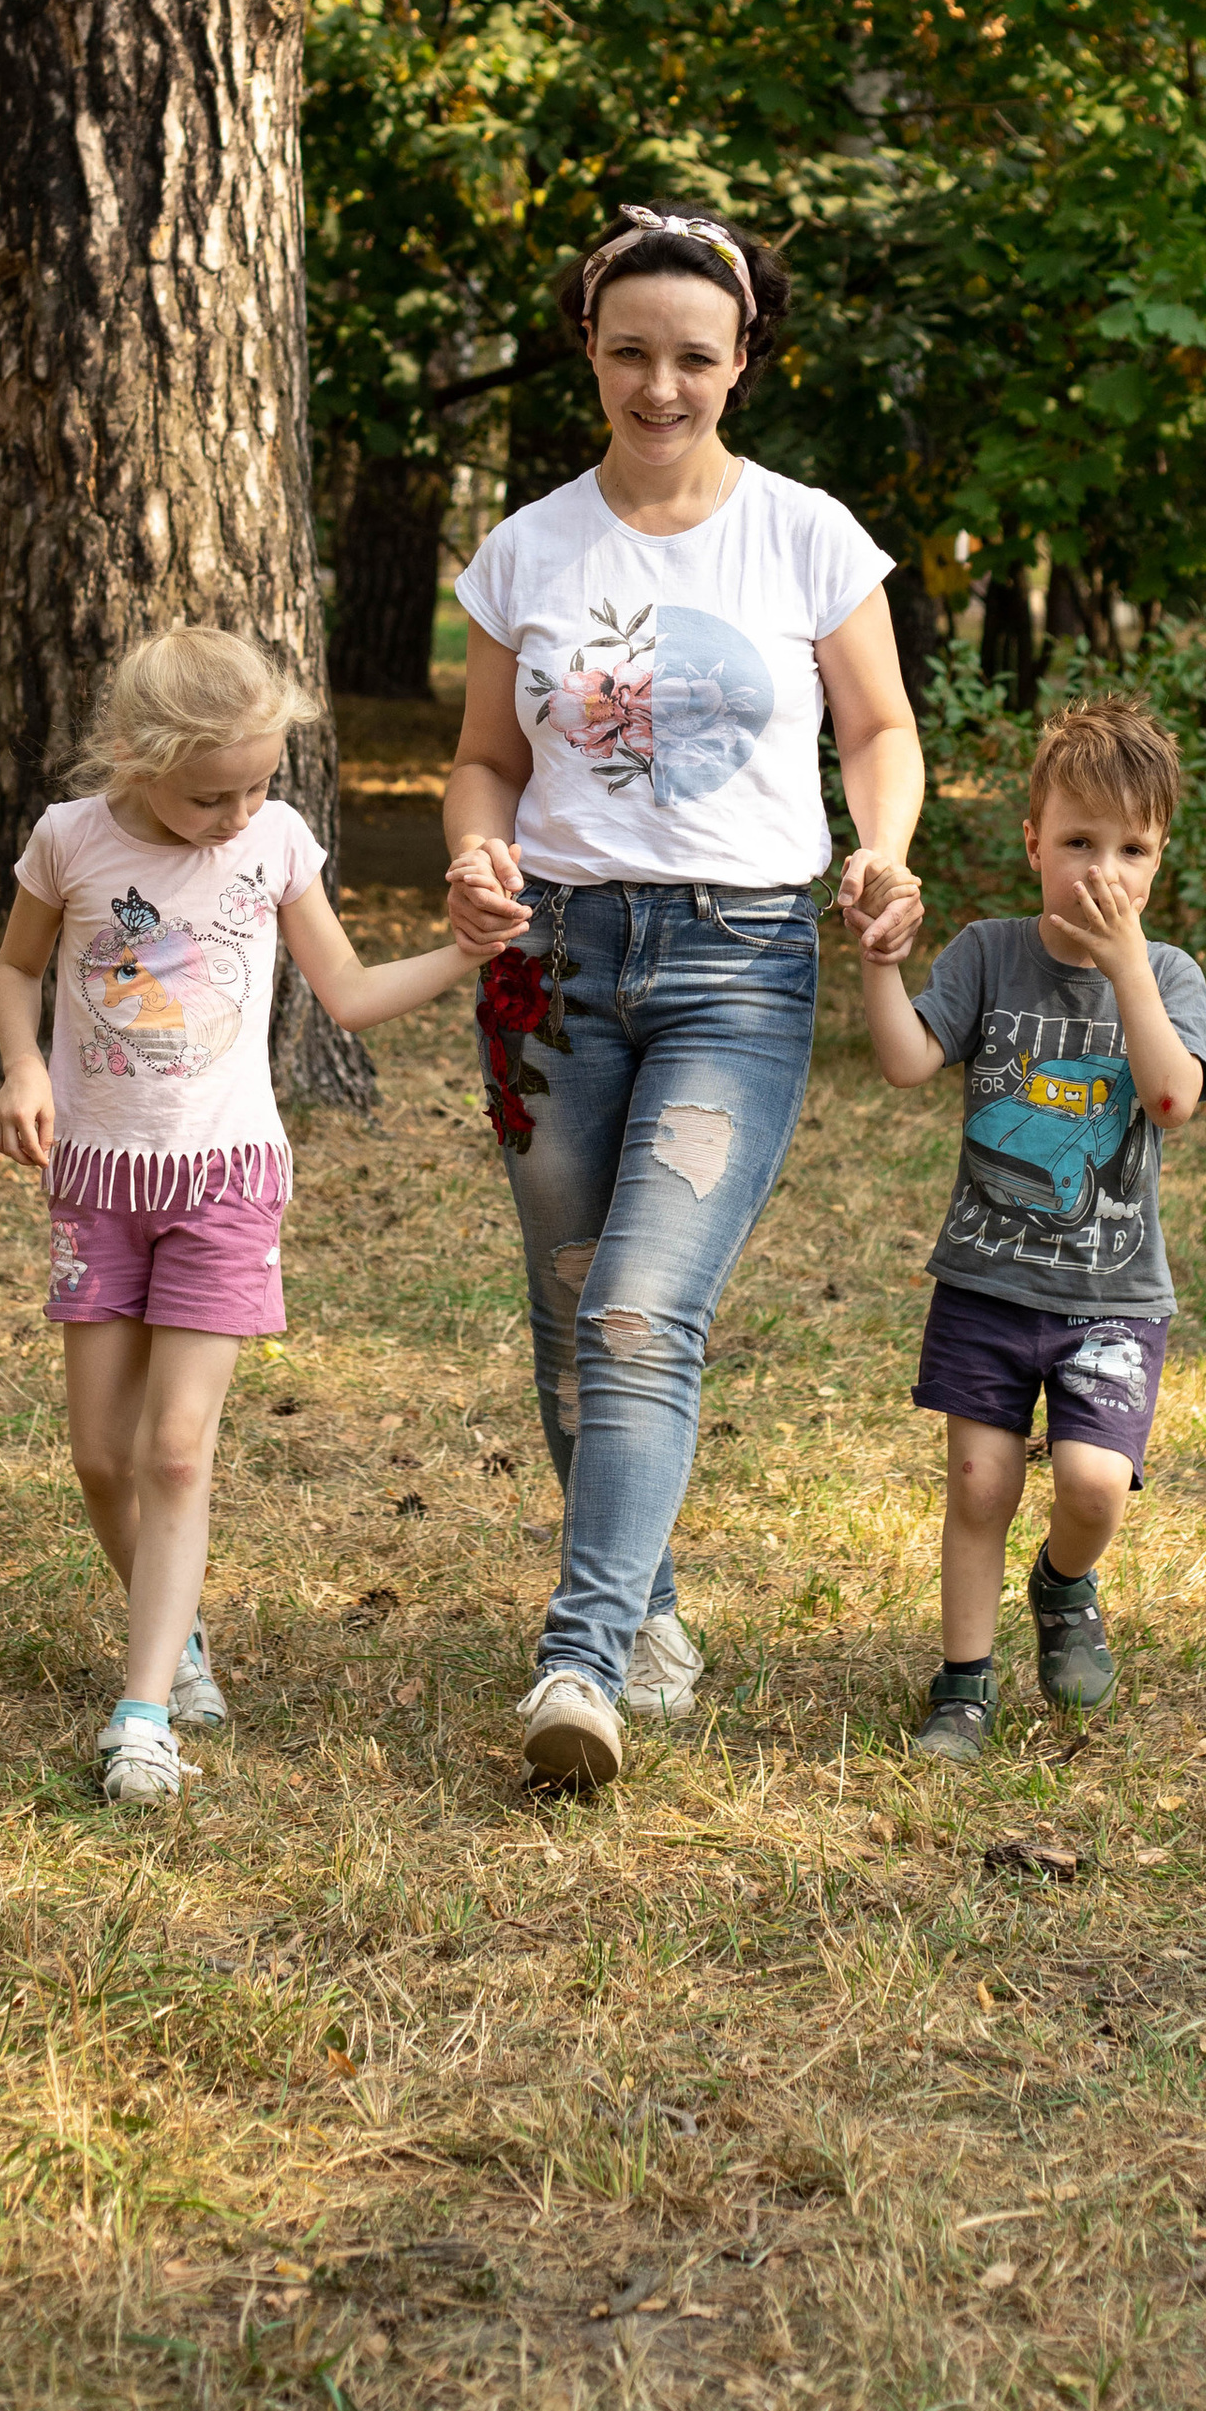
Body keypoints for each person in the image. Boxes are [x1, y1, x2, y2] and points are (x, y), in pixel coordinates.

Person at [441, 202, 926, 1789]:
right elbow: (486, 761)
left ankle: (577, 1657)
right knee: (576, 1309)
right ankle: (642, 1608)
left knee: (648, 1308)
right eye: (631, 353)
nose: (662, 387)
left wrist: (883, 847)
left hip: (740, 962)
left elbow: (879, 726)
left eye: (695, 359)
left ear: (746, 364)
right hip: (552, 970)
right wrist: (472, 855)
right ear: (590, 348)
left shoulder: (804, 533)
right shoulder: (527, 548)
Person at [0, 627, 474, 1806]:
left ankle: (144, 1710)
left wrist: (462, 952)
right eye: (213, 793)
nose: (238, 810)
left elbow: (349, 994)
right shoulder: (70, 842)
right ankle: (180, 1632)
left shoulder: (273, 846)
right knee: (102, 1459)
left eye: (261, 784)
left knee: (174, 1449)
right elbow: (13, 972)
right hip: (99, 1184)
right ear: (137, 758)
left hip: (222, 1180)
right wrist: (22, 1068)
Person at [858, 692, 1206, 1765]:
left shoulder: (1167, 977)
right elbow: (905, 1061)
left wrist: (1123, 971)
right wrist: (878, 960)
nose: (1099, 868)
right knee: (979, 1483)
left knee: (1092, 1485)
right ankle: (963, 1686)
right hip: (984, 1281)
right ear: (1032, 842)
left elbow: (1167, 1103)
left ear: (1158, 862)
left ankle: (1063, 1585)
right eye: (1076, 841)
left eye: (1129, 847)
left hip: (1110, 1296)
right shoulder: (986, 954)